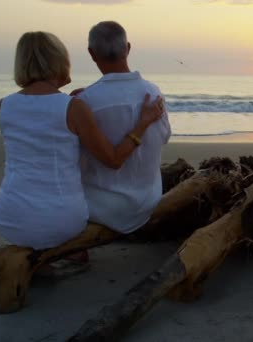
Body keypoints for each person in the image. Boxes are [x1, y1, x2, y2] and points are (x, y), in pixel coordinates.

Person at [0, 31, 165, 250]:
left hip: (9, 218)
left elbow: (40, 113)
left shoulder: (4, 105)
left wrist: (78, 99)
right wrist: (142, 123)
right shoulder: (74, 108)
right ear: (59, 61)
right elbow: (113, 160)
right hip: (62, 222)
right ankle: (70, 252)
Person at [71, 21, 171, 234]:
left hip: (103, 207)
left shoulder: (86, 101)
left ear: (91, 53)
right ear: (128, 48)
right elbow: (164, 137)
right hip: (149, 199)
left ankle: (76, 250)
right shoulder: (153, 93)